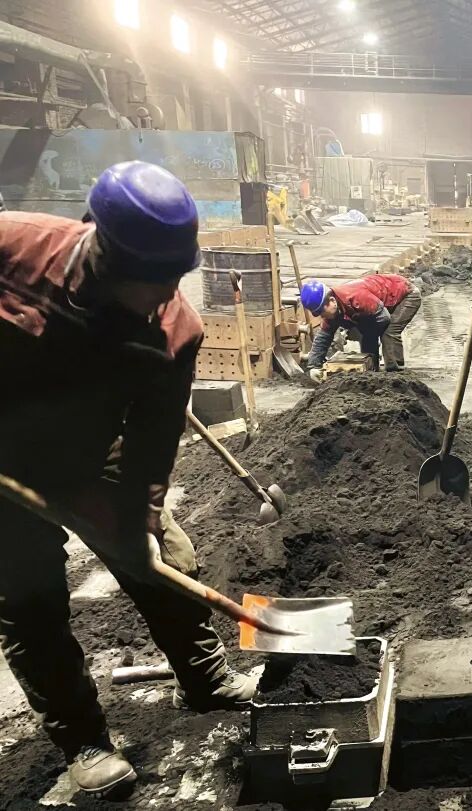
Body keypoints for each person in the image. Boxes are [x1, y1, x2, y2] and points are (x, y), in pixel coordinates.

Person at [0, 161, 257, 797]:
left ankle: (205, 678)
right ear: (103, 250)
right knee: (28, 601)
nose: (162, 297)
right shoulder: (14, 249)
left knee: (165, 557)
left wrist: (141, 521)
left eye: (173, 280)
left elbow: (154, 438)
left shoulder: (175, 330)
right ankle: (84, 740)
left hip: (92, 449)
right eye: (150, 283)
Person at [301, 273, 422, 378]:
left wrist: (362, 330)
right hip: (383, 303)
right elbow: (323, 337)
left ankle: (396, 375)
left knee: (388, 333)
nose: (322, 316)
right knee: (367, 335)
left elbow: (384, 318)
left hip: (406, 294)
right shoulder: (332, 311)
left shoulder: (356, 298)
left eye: (322, 312)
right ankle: (371, 372)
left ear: (332, 301)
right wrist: (313, 367)